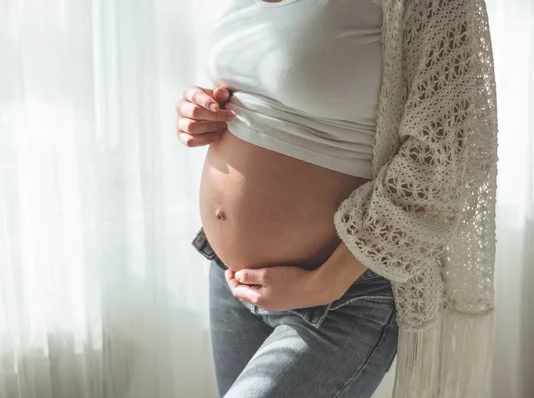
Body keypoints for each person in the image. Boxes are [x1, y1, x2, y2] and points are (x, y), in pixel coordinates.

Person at [177, 0, 498, 397]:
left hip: (342, 293)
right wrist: (199, 111)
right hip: (233, 280)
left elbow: (449, 152)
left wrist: (323, 283)